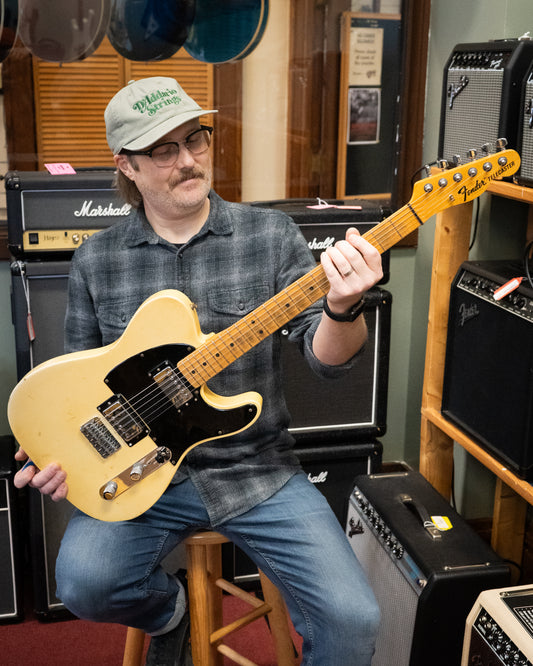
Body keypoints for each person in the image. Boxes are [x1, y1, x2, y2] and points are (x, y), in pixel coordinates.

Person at [14, 76, 382, 665]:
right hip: (140, 475)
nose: (188, 161)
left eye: (197, 140)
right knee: (84, 585)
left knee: (353, 620)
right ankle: (170, 612)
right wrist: (57, 450)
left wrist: (344, 306)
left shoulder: (270, 236)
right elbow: (75, 384)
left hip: (256, 469)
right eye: (164, 150)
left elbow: (328, 362)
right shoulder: (96, 261)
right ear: (127, 166)